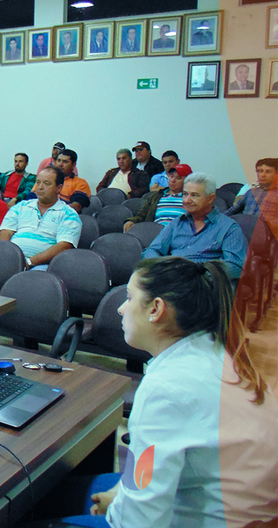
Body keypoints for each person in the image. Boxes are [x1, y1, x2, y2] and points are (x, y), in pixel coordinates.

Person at [57, 257, 276, 527]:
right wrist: (121, 494)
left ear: (156, 309)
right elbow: (152, 470)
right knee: (58, 493)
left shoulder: (168, 388)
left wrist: (118, 507)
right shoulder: (221, 350)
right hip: (239, 505)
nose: (122, 309)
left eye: (129, 297)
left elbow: (137, 522)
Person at [143, 172, 247, 279]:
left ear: (210, 198)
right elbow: (152, 250)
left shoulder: (228, 227)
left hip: (204, 284)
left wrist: (198, 275)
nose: (187, 200)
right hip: (171, 280)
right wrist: (161, 269)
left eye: (194, 195)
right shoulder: (177, 223)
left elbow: (237, 266)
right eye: (185, 194)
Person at [0, 166, 82, 270]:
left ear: (58, 188)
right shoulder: (21, 207)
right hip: (11, 260)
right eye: (38, 182)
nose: (40, 187)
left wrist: (30, 262)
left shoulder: (69, 214)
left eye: (46, 183)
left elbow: (64, 246)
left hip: (43, 265)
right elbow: (5, 233)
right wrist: (7, 256)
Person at [124, 164, 191, 232]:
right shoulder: (156, 196)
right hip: (156, 232)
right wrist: (131, 221)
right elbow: (142, 215)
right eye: (171, 176)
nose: (173, 180)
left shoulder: (190, 199)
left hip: (180, 233)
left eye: (178, 178)